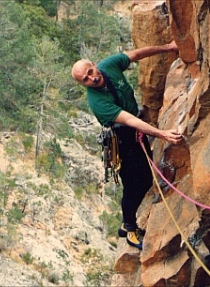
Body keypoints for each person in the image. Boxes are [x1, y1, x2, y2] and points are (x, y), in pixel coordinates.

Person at [71, 41, 183, 250]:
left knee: (144, 179)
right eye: (85, 79)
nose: (92, 78)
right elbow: (130, 121)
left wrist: (168, 47)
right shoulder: (97, 102)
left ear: (95, 64)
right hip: (121, 139)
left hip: (134, 131)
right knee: (135, 184)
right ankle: (130, 229)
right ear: (83, 84)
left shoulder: (110, 65)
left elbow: (138, 54)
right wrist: (162, 134)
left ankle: (126, 222)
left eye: (90, 71)